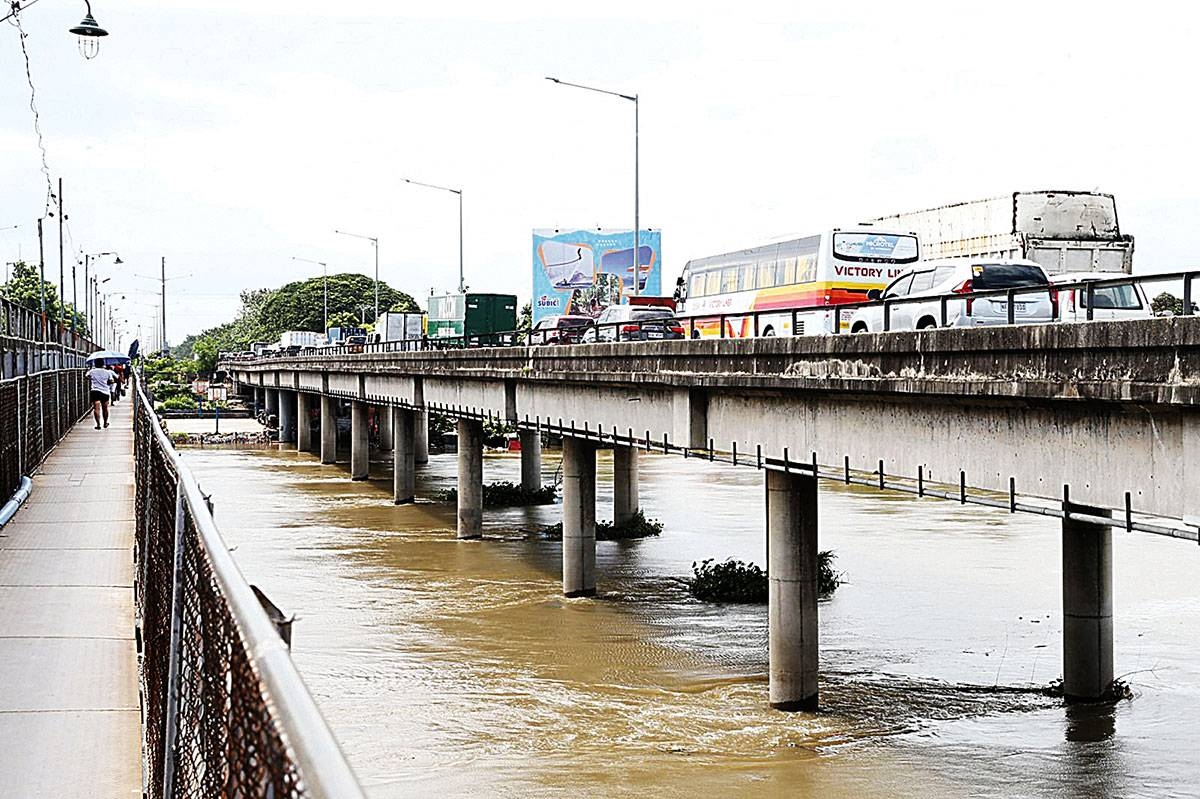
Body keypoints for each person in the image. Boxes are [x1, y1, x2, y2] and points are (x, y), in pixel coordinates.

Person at [86, 360, 117, 429]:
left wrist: (92, 379)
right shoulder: (107, 372)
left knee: (96, 409)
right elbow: (112, 381)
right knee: (105, 408)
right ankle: (105, 423)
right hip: (105, 392)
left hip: (95, 391)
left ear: (95, 364)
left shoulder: (92, 371)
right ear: (103, 364)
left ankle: (98, 424)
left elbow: (87, 376)